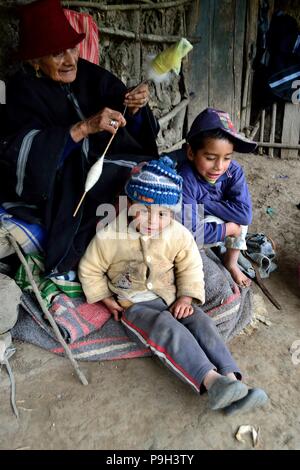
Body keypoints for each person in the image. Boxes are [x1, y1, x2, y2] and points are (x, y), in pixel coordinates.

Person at [79, 156, 268, 415]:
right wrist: (104, 296)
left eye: (162, 214)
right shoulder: (110, 235)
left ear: (172, 212)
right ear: (130, 204)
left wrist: (186, 297)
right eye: (143, 211)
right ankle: (212, 382)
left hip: (171, 296)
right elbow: (90, 269)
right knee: (167, 328)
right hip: (135, 304)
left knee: (202, 323)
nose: (152, 220)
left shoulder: (178, 234)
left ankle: (233, 381)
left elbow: (190, 265)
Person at [0, 0, 159, 276]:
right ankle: (105, 266)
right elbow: (21, 153)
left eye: (72, 48)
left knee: (157, 175)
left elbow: (129, 124)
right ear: (35, 60)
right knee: (117, 190)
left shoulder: (91, 75)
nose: (71, 60)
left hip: (114, 161)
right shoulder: (19, 93)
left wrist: (134, 109)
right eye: (57, 53)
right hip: (66, 183)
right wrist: (83, 128)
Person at [179, 107, 257, 287]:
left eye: (227, 158)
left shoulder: (233, 171)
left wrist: (204, 203)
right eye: (210, 157)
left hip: (210, 220)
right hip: (192, 228)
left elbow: (245, 214)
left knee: (241, 223)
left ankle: (231, 263)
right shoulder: (185, 177)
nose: (219, 166)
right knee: (186, 247)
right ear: (191, 153)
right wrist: (229, 229)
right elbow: (190, 232)